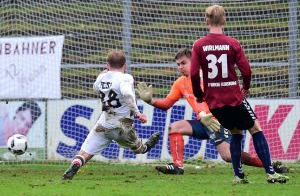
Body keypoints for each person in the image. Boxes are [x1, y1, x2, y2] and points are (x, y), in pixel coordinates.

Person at [136, 48, 288, 175]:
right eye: (178, 64)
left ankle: (269, 165)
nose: (180, 67)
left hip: (218, 121)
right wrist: (151, 101)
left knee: (228, 157)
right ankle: (177, 166)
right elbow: (167, 103)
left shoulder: (206, 77)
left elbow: (201, 101)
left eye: (183, 63)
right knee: (174, 128)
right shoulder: (180, 83)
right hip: (203, 122)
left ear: (193, 62)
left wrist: (203, 115)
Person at [190, 5, 289, 184]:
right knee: (255, 129)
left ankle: (238, 176)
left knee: (236, 133)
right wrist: (246, 86)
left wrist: (199, 94)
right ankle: (271, 173)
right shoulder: (233, 43)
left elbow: (194, 74)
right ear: (224, 20)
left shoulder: (199, 45)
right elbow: (246, 70)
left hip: (214, 102)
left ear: (206, 21)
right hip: (234, 98)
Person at [62, 50, 160, 180]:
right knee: (139, 149)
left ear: (107, 64)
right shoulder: (126, 77)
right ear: (124, 65)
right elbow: (126, 94)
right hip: (123, 126)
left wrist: (103, 73)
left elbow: (95, 88)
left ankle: (76, 164)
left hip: (104, 124)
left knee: (84, 153)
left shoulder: (101, 77)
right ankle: (146, 146)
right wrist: (138, 113)